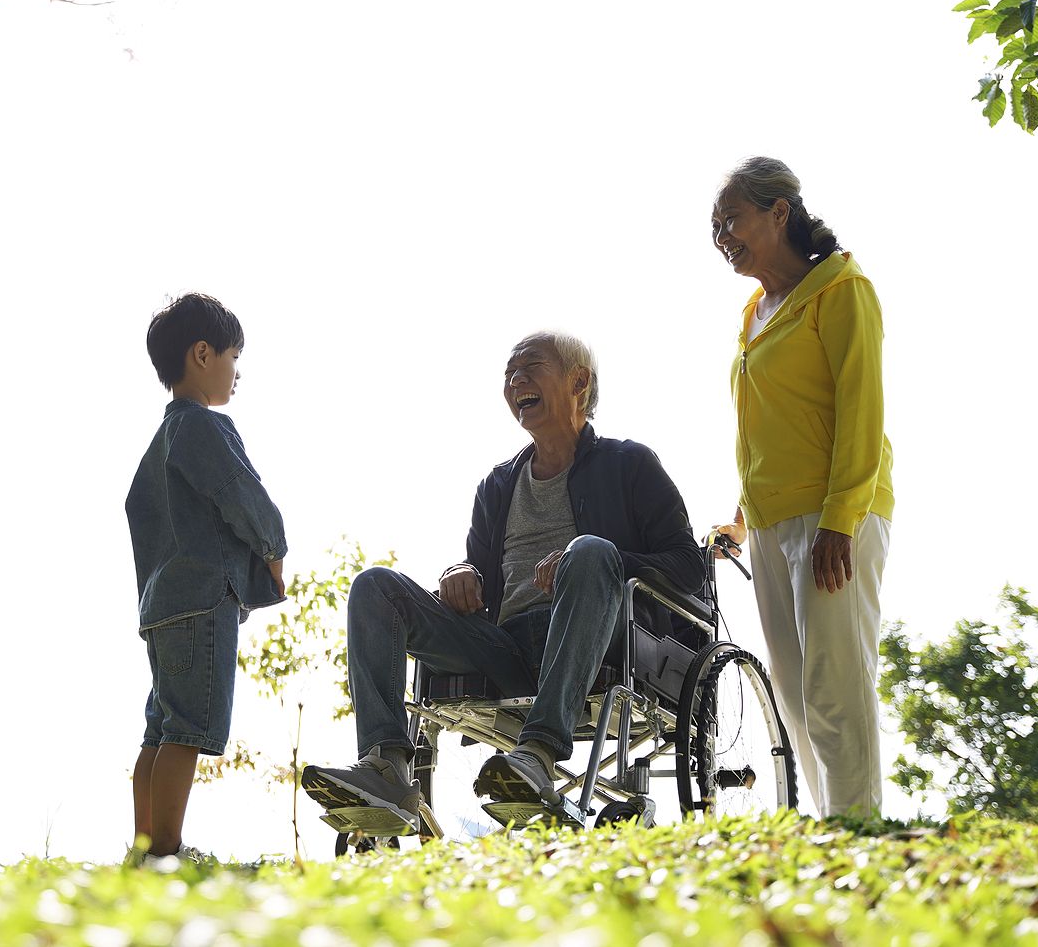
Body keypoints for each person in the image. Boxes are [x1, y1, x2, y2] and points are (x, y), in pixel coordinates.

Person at [302, 332, 704, 828]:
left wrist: (604, 561)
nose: (516, 381)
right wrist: (459, 575)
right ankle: (386, 766)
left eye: (532, 367)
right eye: (509, 374)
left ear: (579, 381)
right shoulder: (496, 486)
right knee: (374, 587)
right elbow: (481, 587)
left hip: (597, 642)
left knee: (592, 551)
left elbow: (688, 562)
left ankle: (537, 754)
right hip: (505, 649)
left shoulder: (629, 464)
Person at [707, 156, 894, 819]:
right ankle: (833, 823)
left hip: (832, 514)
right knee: (792, 690)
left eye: (731, 220)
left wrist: (842, 517)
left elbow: (860, 409)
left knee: (834, 682)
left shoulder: (841, 288)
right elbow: (768, 428)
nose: (722, 237)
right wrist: (739, 517)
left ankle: (858, 825)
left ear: (778, 211)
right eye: (714, 229)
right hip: (769, 521)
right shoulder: (755, 312)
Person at [126, 293, 289, 859]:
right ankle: (165, 852)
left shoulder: (159, 444)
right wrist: (274, 550)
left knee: (161, 728)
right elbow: (244, 496)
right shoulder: (205, 428)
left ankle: (145, 847)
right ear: (202, 354)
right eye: (233, 358)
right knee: (189, 730)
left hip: (162, 606)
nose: (237, 373)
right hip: (202, 599)